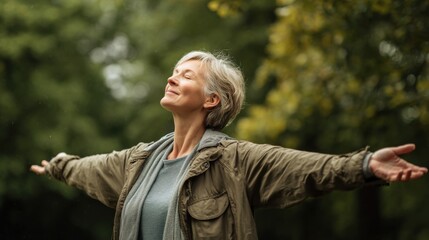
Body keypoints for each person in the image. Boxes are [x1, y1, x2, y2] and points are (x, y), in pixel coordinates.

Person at [30, 50, 428, 240]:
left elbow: (304, 168)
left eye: (185, 76)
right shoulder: (138, 162)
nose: (171, 78)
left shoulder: (235, 161)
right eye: (172, 72)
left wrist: (363, 166)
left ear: (211, 100)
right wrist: (58, 167)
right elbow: (88, 169)